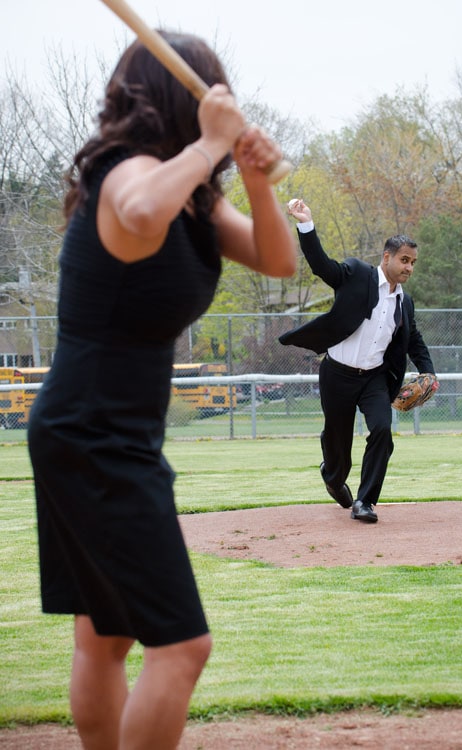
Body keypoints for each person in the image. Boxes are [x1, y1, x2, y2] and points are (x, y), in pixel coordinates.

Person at [27, 31, 296, 750]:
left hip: (102, 433)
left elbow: (279, 260)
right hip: (93, 435)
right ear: (189, 101)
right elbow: (139, 212)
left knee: (105, 636)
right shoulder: (122, 172)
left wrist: (257, 178)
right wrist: (210, 147)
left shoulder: (195, 203)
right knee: (182, 647)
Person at [280, 199, 437, 524]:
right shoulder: (356, 275)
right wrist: (306, 224)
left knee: (382, 430)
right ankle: (333, 476)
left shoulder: (404, 303)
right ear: (387, 257)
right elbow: (323, 266)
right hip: (337, 374)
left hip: (374, 379)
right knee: (339, 444)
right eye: (404, 260)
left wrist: (429, 372)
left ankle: (365, 501)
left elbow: (414, 340)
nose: (409, 267)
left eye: (413, 262)